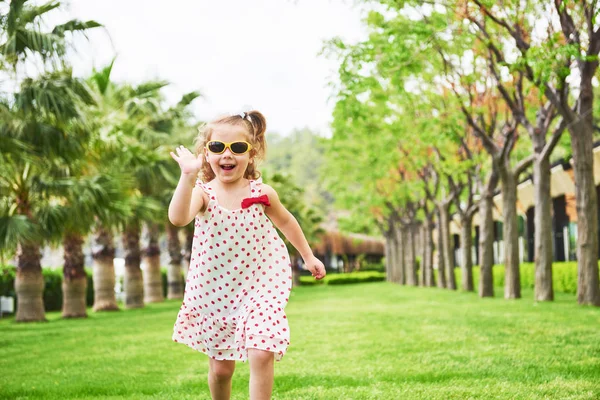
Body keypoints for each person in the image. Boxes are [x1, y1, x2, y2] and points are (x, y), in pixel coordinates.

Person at [168, 109, 326, 400]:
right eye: (217, 147)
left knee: (262, 350)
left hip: (259, 285)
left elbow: (287, 222)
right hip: (214, 292)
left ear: (251, 154)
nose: (227, 155)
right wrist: (187, 177)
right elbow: (178, 218)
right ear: (206, 153)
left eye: (238, 148)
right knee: (221, 372)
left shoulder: (261, 192)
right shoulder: (203, 194)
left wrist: (308, 256)